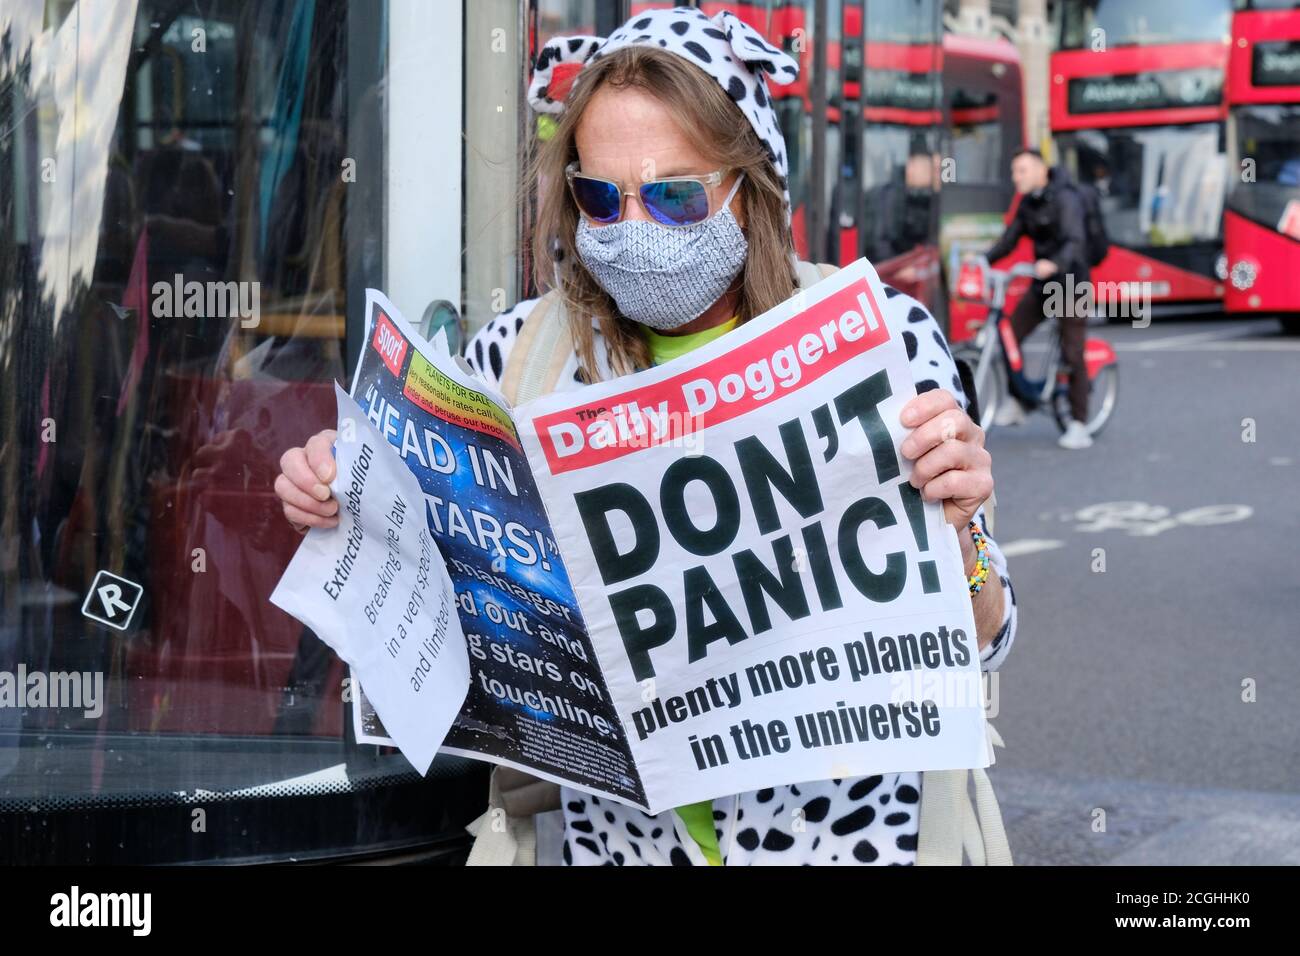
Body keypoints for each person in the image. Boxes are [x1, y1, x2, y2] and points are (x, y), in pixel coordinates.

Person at [274, 6, 1018, 865]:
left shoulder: (879, 339)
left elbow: (987, 636)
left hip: (846, 843)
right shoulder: (520, 358)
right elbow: (432, 589)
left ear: (751, 188)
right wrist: (346, 500)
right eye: (601, 194)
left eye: (673, 194)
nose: (634, 228)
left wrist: (960, 525)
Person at [981, 147, 1094, 450]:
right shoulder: (1028, 202)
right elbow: (1009, 239)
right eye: (1014, 171)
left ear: (1041, 170)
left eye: (1022, 170)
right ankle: (1021, 402)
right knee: (1009, 336)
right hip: (1043, 284)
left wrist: (1055, 263)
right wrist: (982, 260)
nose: (1015, 177)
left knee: (1072, 353)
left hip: (1071, 284)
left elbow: (1075, 241)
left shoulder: (1066, 198)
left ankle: (1079, 424)